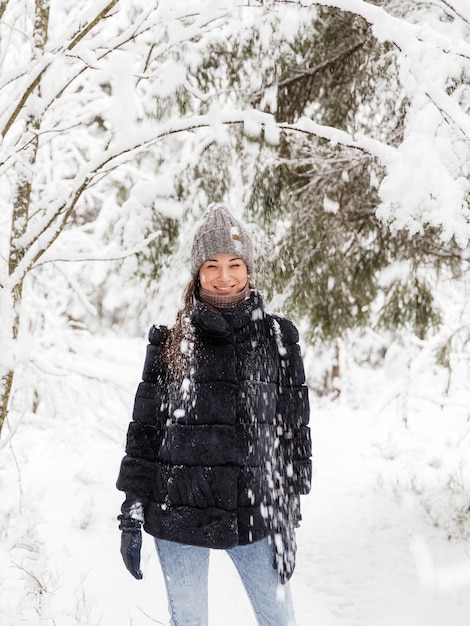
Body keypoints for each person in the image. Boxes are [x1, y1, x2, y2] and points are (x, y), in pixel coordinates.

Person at [116, 202, 312, 626]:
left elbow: (293, 433)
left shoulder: (278, 339)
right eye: (212, 265)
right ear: (198, 273)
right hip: (178, 511)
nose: (224, 277)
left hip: (254, 512)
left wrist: (288, 516)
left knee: (280, 620)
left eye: (234, 264)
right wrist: (132, 507)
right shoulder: (171, 342)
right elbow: (145, 431)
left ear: (248, 268)